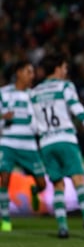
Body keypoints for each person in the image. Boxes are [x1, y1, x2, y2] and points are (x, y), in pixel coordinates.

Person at [31, 53, 84, 239]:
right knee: (78, 180)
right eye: (64, 67)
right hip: (65, 139)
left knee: (58, 185)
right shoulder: (65, 86)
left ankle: (62, 227)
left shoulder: (34, 92)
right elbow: (76, 108)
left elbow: (32, 123)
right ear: (56, 68)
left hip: (46, 143)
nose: (66, 71)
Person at [0, 60, 47, 231]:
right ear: (19, 72)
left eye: (32, 72)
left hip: (28, 145)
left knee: (43, 184)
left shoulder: (34, 95)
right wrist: (2, 117)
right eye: (29, 72)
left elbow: (40, 120)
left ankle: (35, 192)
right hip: (8, 142)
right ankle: (5, 219)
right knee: (4, 179)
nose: (32, 76)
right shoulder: (3, 93)